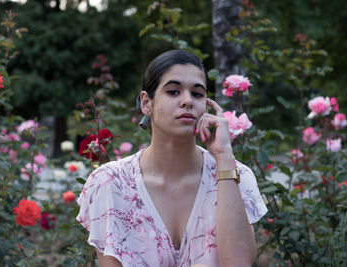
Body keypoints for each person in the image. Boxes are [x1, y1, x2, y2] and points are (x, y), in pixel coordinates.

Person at [76, 50, 267, 267]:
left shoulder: (235, 175)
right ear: (146, 103)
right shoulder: (111, 184)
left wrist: (224, 157)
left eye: (197, 94)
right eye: (174, 91)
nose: (187, 101)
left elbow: (239, 263)